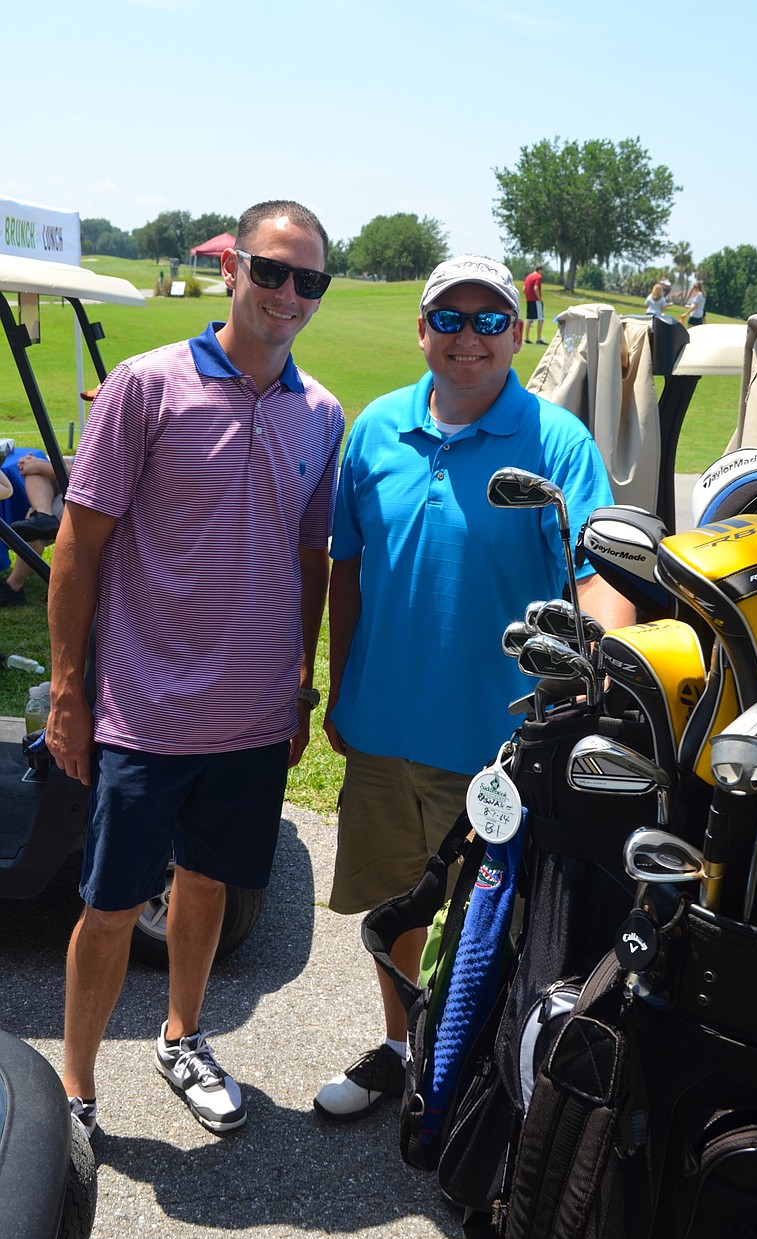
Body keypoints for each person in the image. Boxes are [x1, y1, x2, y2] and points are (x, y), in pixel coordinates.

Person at [46, 198, 344, 1139]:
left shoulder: (321, 413)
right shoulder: (146, 386)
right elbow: (77, 545)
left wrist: (300, 685)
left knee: (210, 884)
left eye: (309, 281)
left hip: (254, 714)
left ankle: (183, 1036)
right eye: (271, 271)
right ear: (232, 269)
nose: (288, 294)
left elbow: (308, 561)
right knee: (110, 906)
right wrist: (66, 688)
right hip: (143, 710)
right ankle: (75, 1091)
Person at [313, 255, 635, 1123]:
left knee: (501, 925)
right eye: (448, 319)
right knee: (392, 906)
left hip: (502, 745)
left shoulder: (556, 441)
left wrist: (598, 669)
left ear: (517, 332)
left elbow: (600, 577)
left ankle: (476, 1074)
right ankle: (400, 1046)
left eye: (490, 321)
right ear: (422, 331)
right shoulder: (375, 429)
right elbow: (348, 569)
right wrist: (344, 690)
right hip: (384, 729)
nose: (468, 338)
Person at [0, 449, 64, 606]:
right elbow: (79, 463)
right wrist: (38, 464)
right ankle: (42, 517)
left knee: (34, 524)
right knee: (35, 522)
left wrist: (39, 466)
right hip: (74, 486)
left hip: (95, 495)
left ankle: (14, 587)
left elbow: (93, 471)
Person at [523, 263, 546, 345]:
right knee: (540, 319)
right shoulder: (538, 277)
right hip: (535, 300)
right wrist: (539, 299)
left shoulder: (528, 276)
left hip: (529, 300)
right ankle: (539, 339)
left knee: (529, 319)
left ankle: (526, 338)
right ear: (540, 270)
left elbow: (524, 289)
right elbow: (535, 288)